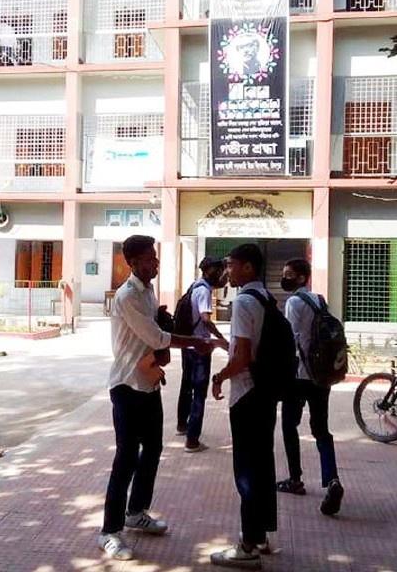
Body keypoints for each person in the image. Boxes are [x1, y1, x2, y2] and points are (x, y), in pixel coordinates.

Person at [99, 235, 225, 561]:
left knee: (153, 450)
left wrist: (162, 319)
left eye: (154, 257)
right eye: (148, 258)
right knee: (126, 457)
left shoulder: (148, 290)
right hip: (127, 385)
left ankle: (136, 512)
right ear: (132, 263)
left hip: (149, 382)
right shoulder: (127, 296)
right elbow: (156, 338)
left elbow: (155, 329)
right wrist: (195, 342)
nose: (154, 263)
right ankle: (109, 531)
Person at [209, 243, 278, 569]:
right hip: (265, 393)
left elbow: (241, 358)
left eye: (231, 265)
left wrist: (219, 377)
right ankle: (260, 535)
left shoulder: (243, 303)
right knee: (262, 465)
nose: (227, 271)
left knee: (247, 471)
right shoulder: (266, 298)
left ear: (247, 267)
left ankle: (248, 546)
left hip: (247, 394)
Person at [276, 258, 345, 516]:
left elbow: (290, 339)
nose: (285, 278)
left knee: (289, 425)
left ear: (302, 277)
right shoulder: (320, 300)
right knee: (321, 429)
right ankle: (332, 479)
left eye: (289, 274)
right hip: (320, 376)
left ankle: (295, 479)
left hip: (298, 376)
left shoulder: (294, 302)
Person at [176, 257, 229, 453]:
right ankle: (192, 440)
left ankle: (182, 425)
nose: (223, 276)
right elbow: (206, 319)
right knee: (199, 392)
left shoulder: (194, 286)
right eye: (220, 271)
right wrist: (221, 339)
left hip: (187, 344)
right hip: (200, 348)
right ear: (210, 272)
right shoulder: (204, 291)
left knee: (186, 385)